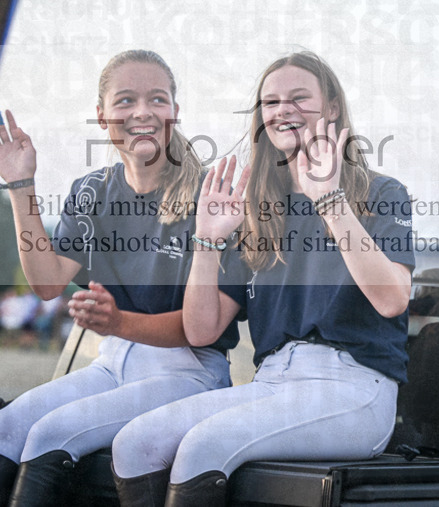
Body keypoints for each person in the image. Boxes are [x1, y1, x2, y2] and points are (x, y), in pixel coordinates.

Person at [111, 51, 416, 506]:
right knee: (135, 442)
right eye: (270, 103)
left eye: (298, 98)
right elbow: (201, 329)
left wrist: (330, 200)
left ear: (331, 108)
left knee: (203, 446)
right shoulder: (256, 212)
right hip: (272, 383)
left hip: (354, 389)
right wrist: (208, 241)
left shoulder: (381, 193)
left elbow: (393, 300)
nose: (282, 110)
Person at [0, 50, 237, 506]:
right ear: (102, 115)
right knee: (4, 425)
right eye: (125, 100)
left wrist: (117, 321)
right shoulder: (91, 190)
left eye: (157, 99)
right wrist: (21, 185)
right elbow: (47, 282)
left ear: (175, 112)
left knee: (51, 432)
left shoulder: (210, 197)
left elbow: (199, 330)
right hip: (113, 363)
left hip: (189, 371)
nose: (142, 112)